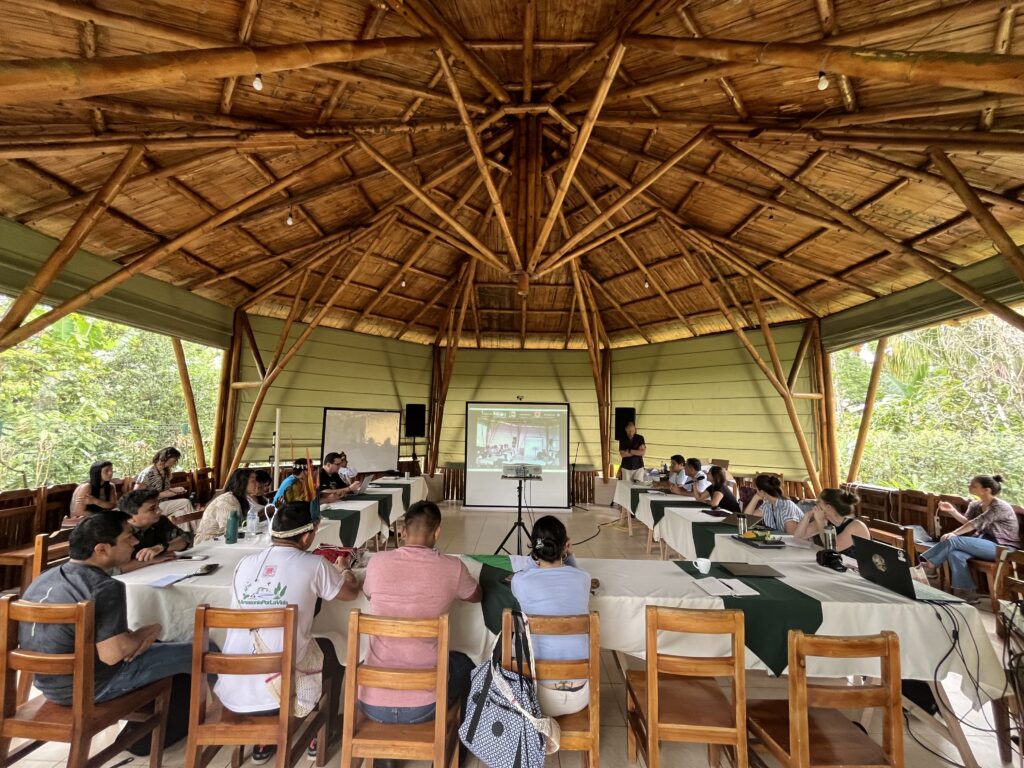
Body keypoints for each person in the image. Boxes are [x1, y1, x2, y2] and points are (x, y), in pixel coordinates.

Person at [216, 501, 361, 764]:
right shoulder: (315, 564)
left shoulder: (245, 564)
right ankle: (321, 734)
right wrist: (345, 569)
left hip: (234, 684)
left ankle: (262, 741)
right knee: (335, 648)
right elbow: (350, 593)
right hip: (278, 688)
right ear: (306, 536)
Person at [18, 512, 194, 705]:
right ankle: (203, 717)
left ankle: (168, 720)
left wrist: (137, 639)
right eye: (128, 538)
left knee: (160, 646)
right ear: (101, 549)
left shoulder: (44, 578)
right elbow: (114, 654)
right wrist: (152, 629)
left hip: (49, 685)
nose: (135, 542)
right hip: (92, 686)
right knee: (200, 652)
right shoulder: (104, 586)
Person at [359, 500, 480, 727]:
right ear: (437, 532)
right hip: (426, 706)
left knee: (363, 659)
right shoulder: (453, 567)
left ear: (403, 531)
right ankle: (459, 742)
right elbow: (475, 595)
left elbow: (368, 594)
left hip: (371, 703)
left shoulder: (377, 562)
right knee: (466, 664)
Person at [510, 516, 591, 717]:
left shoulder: (520, 582)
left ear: (534, 548)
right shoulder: (583, 578)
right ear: (565, 546)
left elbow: (530, 570)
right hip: (581, 695)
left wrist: (535, 555)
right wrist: (569, 555)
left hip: (534, 698)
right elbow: (574, 571)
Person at [920, 475, 1019, 601]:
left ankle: (929, 565)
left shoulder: (1000, 506)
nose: (969, 486)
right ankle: (967, 593)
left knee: (952, 540)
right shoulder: (976, 505)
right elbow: (968, 522)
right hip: (983, 543)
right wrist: (952, 511)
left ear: (986, 490)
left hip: (1003, 548)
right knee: (955, 554)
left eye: (974, 486)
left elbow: (975, 523)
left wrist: (954, 533)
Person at [119, 489, 192, 572]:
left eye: (158, 506)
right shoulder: (117, 531)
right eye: (152, 509)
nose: (160, 511)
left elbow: (185, 539)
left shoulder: (160, 520)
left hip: (158, 571)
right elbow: (110, 569)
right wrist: (150, 560)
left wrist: (161, 547)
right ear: (130, 517)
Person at [793, 488, 870, 556]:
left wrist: (820, 521)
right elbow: (798, 537)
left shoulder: (856, 526)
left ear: (828, 507)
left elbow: (833, 548)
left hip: (857, 567)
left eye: (818, 501)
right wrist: (807, 515)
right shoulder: (826, 520)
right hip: (836, 564)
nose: (816, 504)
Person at [194, 468, 259, 544]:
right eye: (253, 481)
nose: (257, 484)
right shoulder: (226, 502)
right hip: (207, 543)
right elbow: (229, 532)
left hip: (221, 541)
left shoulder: (239, 499)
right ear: (242, 483)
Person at [134, 447, 195, 519]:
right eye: (175, 459)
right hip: (150, 507)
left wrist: (173, 490)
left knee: (181, 513)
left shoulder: (165, 472)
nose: (176, 461)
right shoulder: (148, 472)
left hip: (162, 505)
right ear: (166, 458)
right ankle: (199, 526)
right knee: (186, 502)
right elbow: (136, 495)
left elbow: (161, 489)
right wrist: (160, 495)